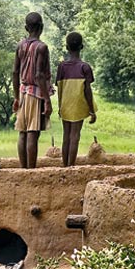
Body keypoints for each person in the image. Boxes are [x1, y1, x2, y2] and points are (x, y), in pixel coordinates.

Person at [12, 12, 51, 169]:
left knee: (22, 132)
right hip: (35, 93)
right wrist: (47, 99)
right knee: (33, 133)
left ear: (26, 28)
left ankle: (24, 169)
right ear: (41, 27)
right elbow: (39, 75)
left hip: (22, 91)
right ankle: (31, 171)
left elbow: (15, 72)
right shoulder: (41, 47)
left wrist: (16, 97)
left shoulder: (20, 46)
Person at [55, 31, 96, 167]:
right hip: (78, 105)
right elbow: (87, 90)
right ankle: (70, 167)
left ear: (67, 47)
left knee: (66, 136)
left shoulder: (61, 67)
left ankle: (65, 165)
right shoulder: (85, 67)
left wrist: (60, 106)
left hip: (65, 105)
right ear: (81, 47)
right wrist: (91, 110)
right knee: (75, 136)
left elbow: (60, 87)